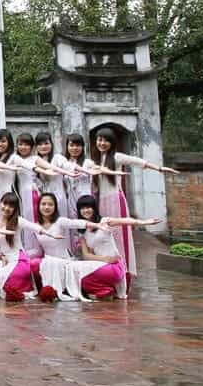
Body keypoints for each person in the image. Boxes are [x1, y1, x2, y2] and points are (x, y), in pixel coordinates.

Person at [90, 127, 177, 276]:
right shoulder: (93, 160)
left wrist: (159, 168)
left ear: (112, 143)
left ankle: (124, 269)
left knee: (120, 234)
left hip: (116, 200)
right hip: (101, 202)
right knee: (104, 235)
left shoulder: (116, 157)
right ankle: (107, 268)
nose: (102, 143)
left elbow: (137, 161)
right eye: (99, 139)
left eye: (106, 140)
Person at [66, 195, 161, 300]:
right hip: (101, 264)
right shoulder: (82, 232)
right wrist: (104, 259)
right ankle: (106, 290)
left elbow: (125, 221)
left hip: (114, 265)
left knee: (82, 272)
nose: (85, 211)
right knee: (76, 271)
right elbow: (86, 255)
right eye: (82, 208)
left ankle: (105, 288)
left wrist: (144, 222)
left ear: (94, 208)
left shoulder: (104, 221)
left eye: (88, 207)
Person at [0, 192, 62, 299]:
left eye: (11, 206)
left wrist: (50, 234)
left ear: (15, 209)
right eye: (5, 204)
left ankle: (18, 289)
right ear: (0, 203)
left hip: (18, 259)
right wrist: (1, 256)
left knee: (10, 278)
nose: (7, 208)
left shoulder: (18, 221)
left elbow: (33, 227)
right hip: (4, 260)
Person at [29, 192, 106, 300]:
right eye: (44, 204)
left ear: (55, 207)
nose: (47, 207)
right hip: (48, 261)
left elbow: (77, 223)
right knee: (33, 264)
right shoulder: (36, 226)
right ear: (39, 206)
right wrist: (21, 255)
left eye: (50, 204)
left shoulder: (60, 221)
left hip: (64, 260)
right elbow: (36, 250)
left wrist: (97, 225)